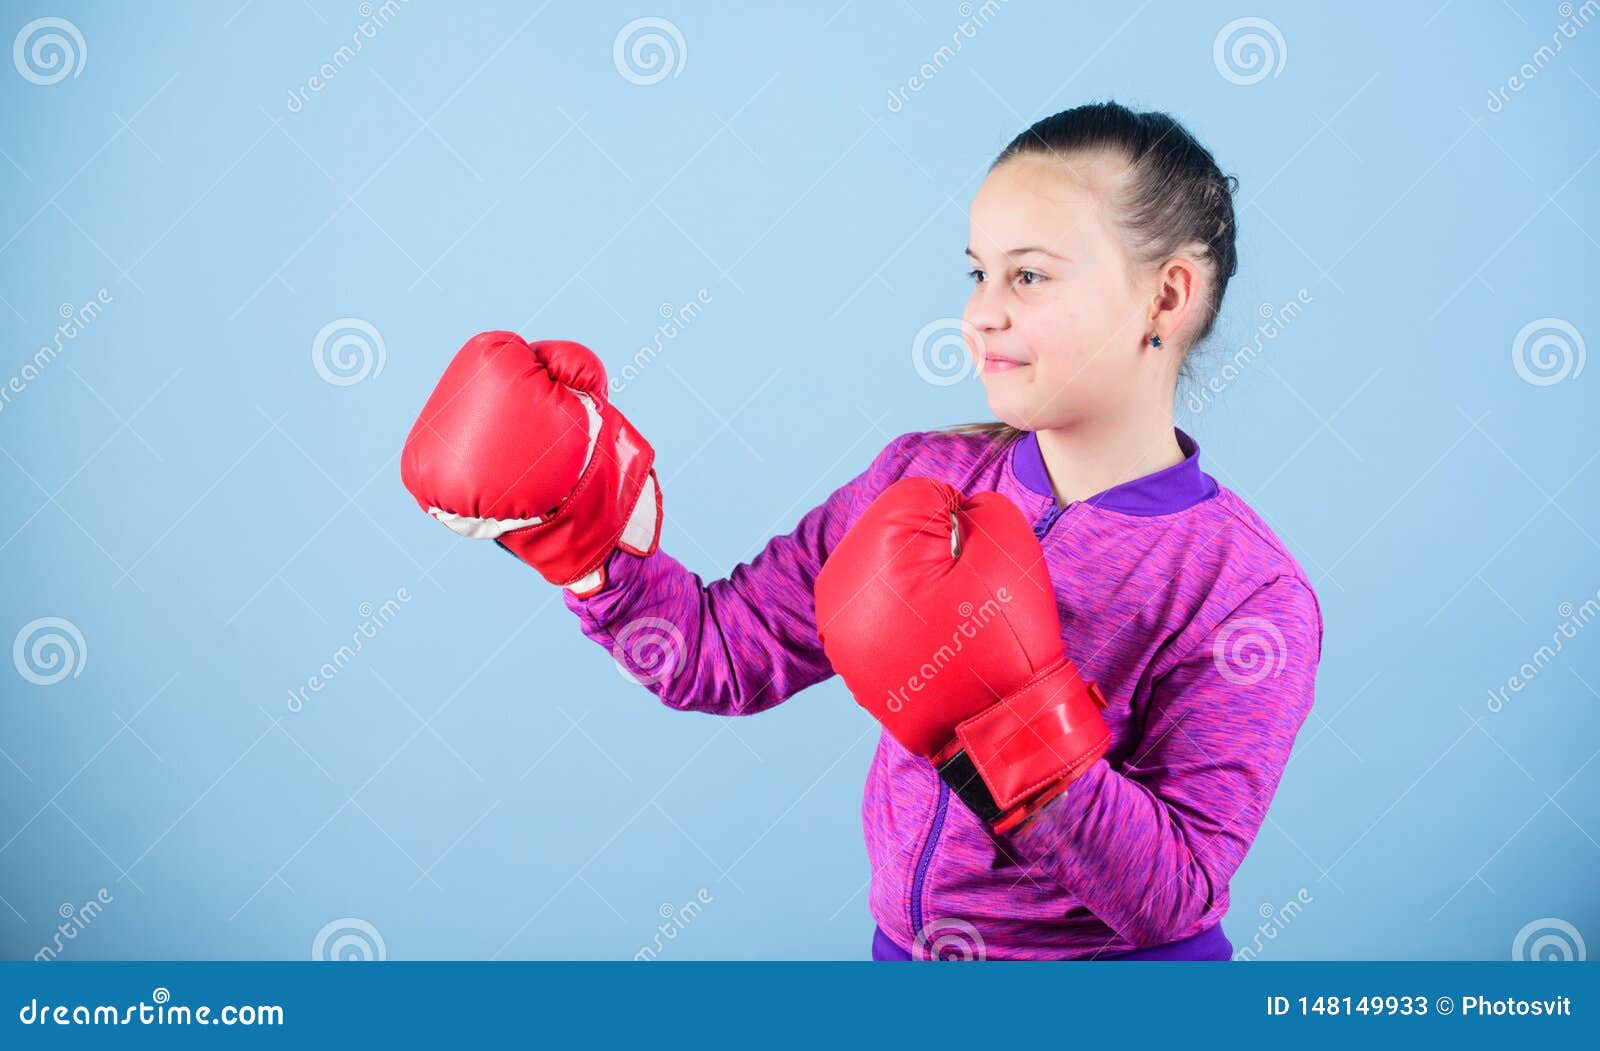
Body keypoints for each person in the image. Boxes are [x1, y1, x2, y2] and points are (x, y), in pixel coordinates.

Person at [400, 100, 1324, 961]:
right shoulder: (920, 477)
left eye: (1029, 275)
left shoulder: (1244, 590)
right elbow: (715, 655)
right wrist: (587, 544)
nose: (982, 311)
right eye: (978, 272)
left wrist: (1009, 725)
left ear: (1165, 298)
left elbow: (1173, 893)